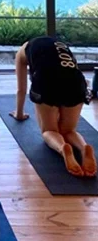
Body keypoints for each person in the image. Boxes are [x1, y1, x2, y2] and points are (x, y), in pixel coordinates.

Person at [11, 36, 97, 177]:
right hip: (75, 81)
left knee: (49, 131)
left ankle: (63, 148)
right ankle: (83, 148)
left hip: (47, 81)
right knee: (68, 130)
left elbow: (21, 89)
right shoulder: (58, 44)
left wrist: (19, 114)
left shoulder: (22, 52)